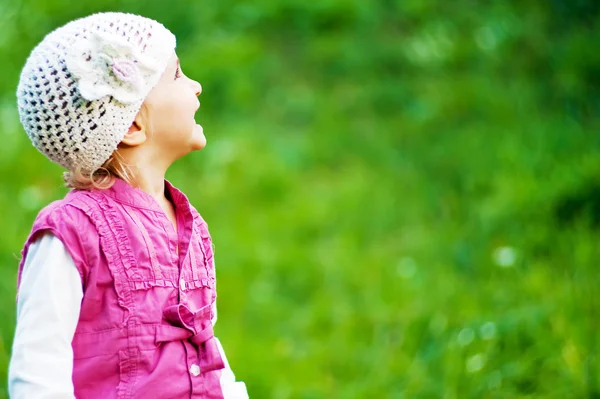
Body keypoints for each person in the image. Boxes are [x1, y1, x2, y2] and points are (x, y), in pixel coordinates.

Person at [8, 12, 248, 399]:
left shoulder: (189, 224)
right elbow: (38, 370)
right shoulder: (71, 232)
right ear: (134, 125)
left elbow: (205, 348)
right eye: (178, 75)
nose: (197, 86)